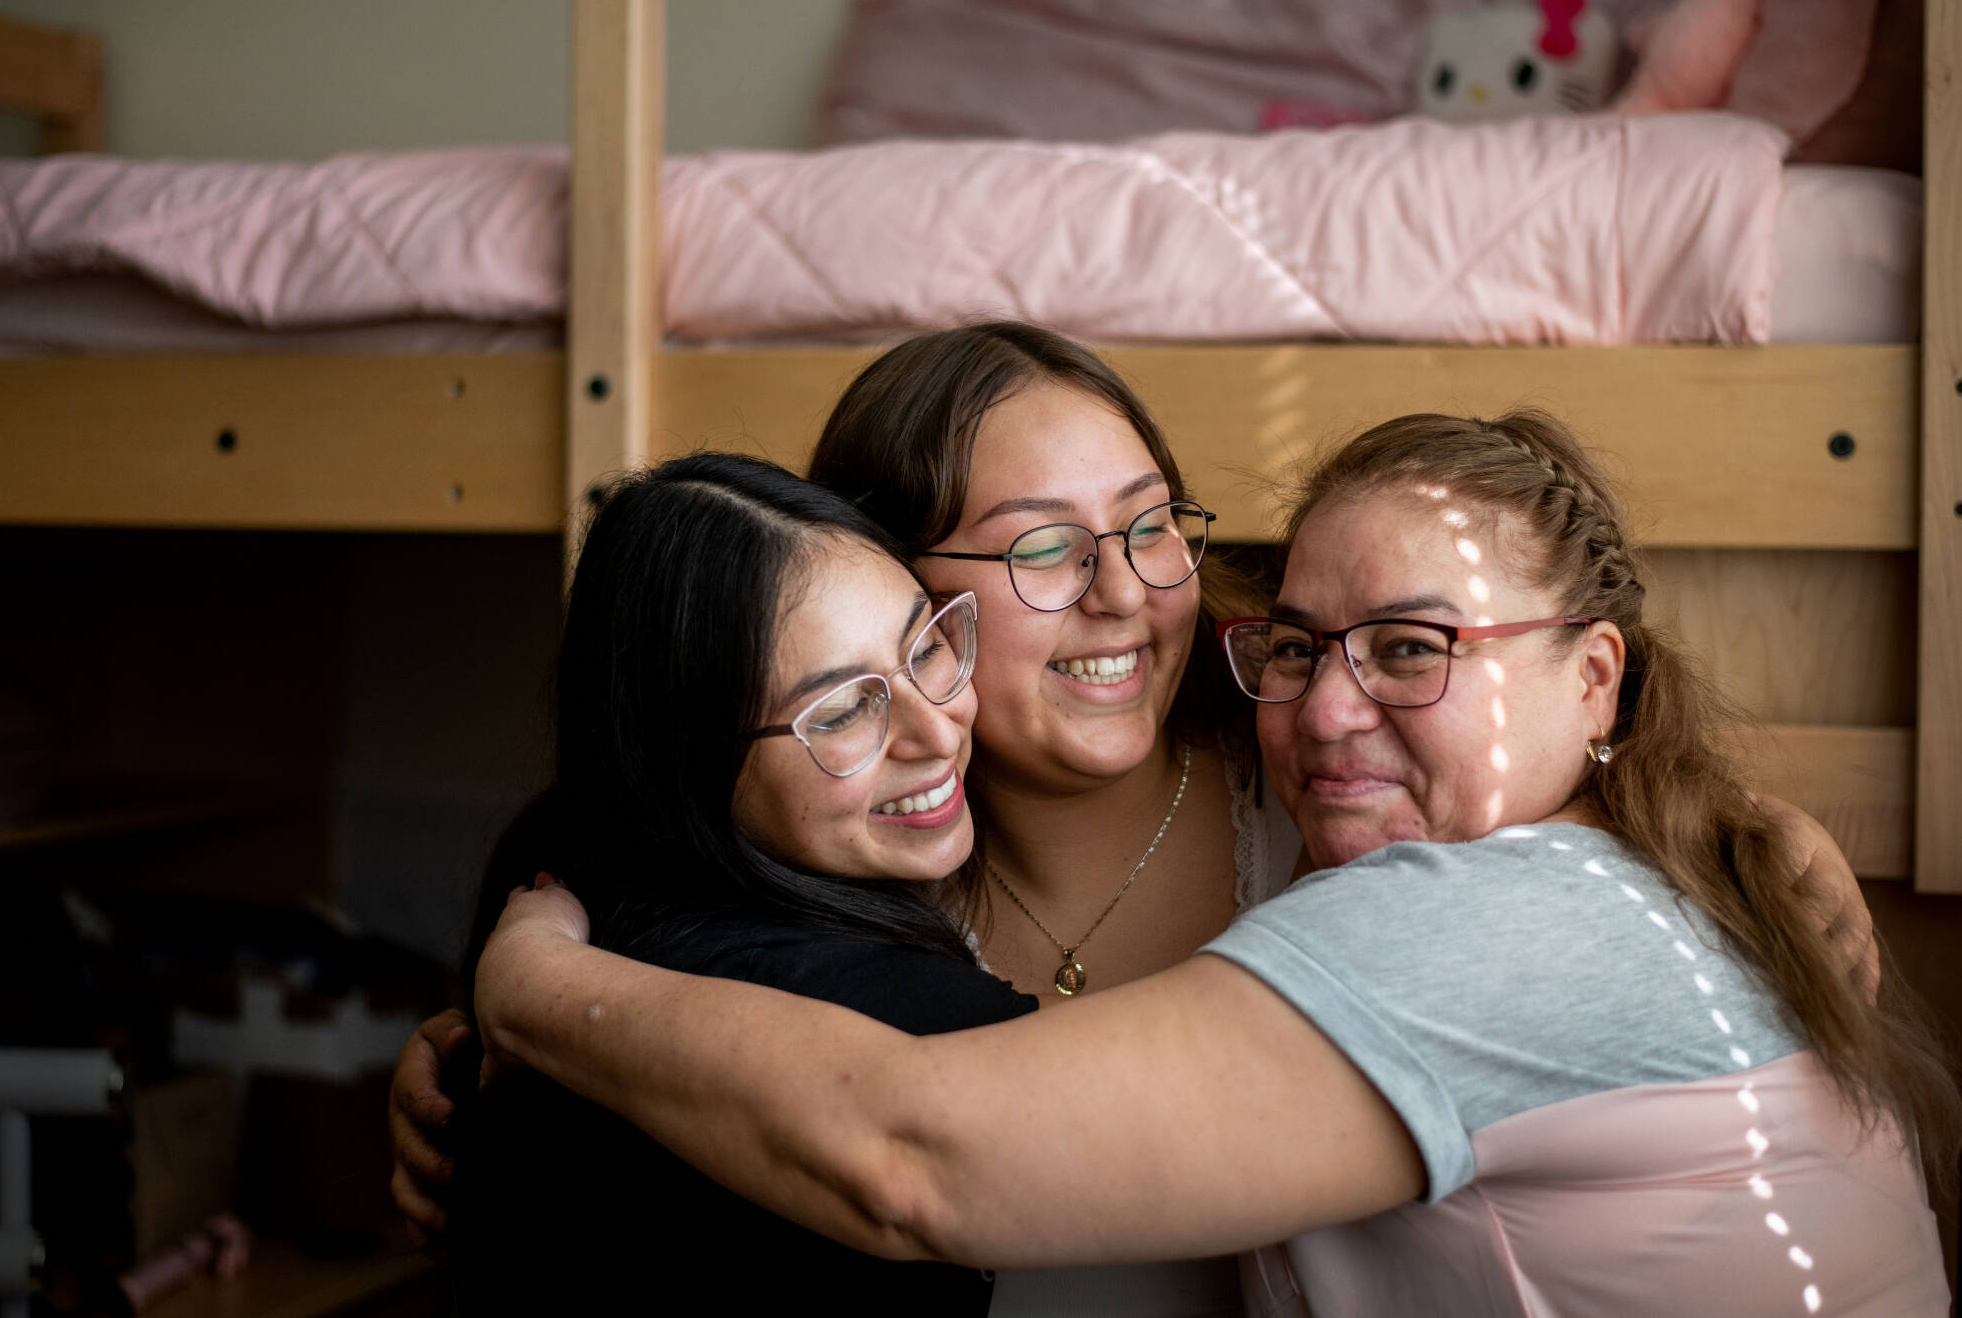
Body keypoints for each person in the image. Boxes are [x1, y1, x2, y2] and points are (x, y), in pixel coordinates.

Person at [393, 325, 1878, 1310]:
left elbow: (1527, 776)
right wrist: (495, 1041)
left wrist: (1731, 825)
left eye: (1151, 523)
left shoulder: (1331, 795)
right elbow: (647, 827)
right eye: (1042, 548)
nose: (1122, 591)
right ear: (888, 584)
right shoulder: (844, 860)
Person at [444, 452, 1038, 1314]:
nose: (936, 730)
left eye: (926, 645)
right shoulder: (917, 1021)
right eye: (843, 709)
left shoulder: (559, 888)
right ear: (689, 762)